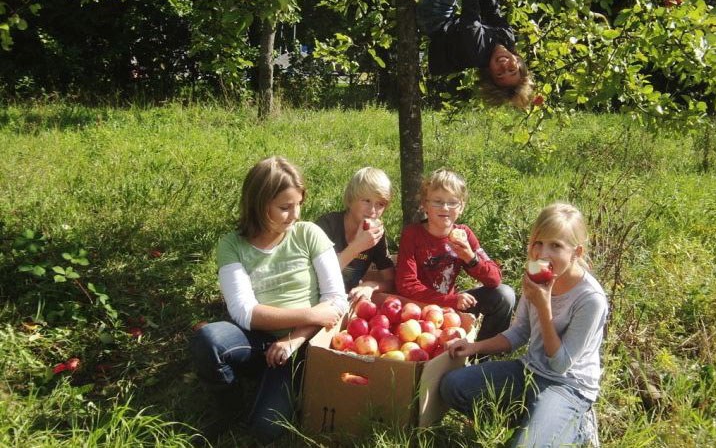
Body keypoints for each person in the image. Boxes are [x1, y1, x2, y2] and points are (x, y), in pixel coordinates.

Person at [189, 156, 348, 444]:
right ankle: (230, 407)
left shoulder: (309, 234)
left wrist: (293, 340)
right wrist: (311, 314)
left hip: (301, 346)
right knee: (209, 339)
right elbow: (244, 313)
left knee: (266, 430)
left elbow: (337, 300)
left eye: (299, 204)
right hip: (255, 339)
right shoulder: (232, 245)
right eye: (285, 208)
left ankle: (279, 381)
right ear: (260, 206)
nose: (295, 214)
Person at [439, 203, 607, 447]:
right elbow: (519, 332)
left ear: (576, 252)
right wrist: (474, 347)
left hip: (568, 386)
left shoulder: (590, 299)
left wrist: (543, 305)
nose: (542, 254)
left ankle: (577, 426)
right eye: (538, 243)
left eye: (556, 245)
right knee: (453, 386)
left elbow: (560, 365)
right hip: (529, 371)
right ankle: (532, 421)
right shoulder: (537, 277)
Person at [394, 168, 515, 342]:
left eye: (452, 202)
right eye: (437, 202)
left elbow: (495, 279)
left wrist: (470, 258)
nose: (445, 208)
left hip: (452, 306)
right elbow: (406, 285)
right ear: (425, 204)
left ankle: (483, 353)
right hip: (419, 308)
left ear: (462, 207)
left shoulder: (464, 234)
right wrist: (450, 300)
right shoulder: (413, 235)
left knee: (504, 295)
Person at [315, 167, 395, 302]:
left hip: (347, 301)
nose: (372, 210)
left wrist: (371, 286)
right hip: (317, 300)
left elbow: (391, 280)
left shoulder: (375, 233)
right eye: (366, 201)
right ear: (351, 199)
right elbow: (316, 277)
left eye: (380, 204)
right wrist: (357, 246)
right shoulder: (328, 225)